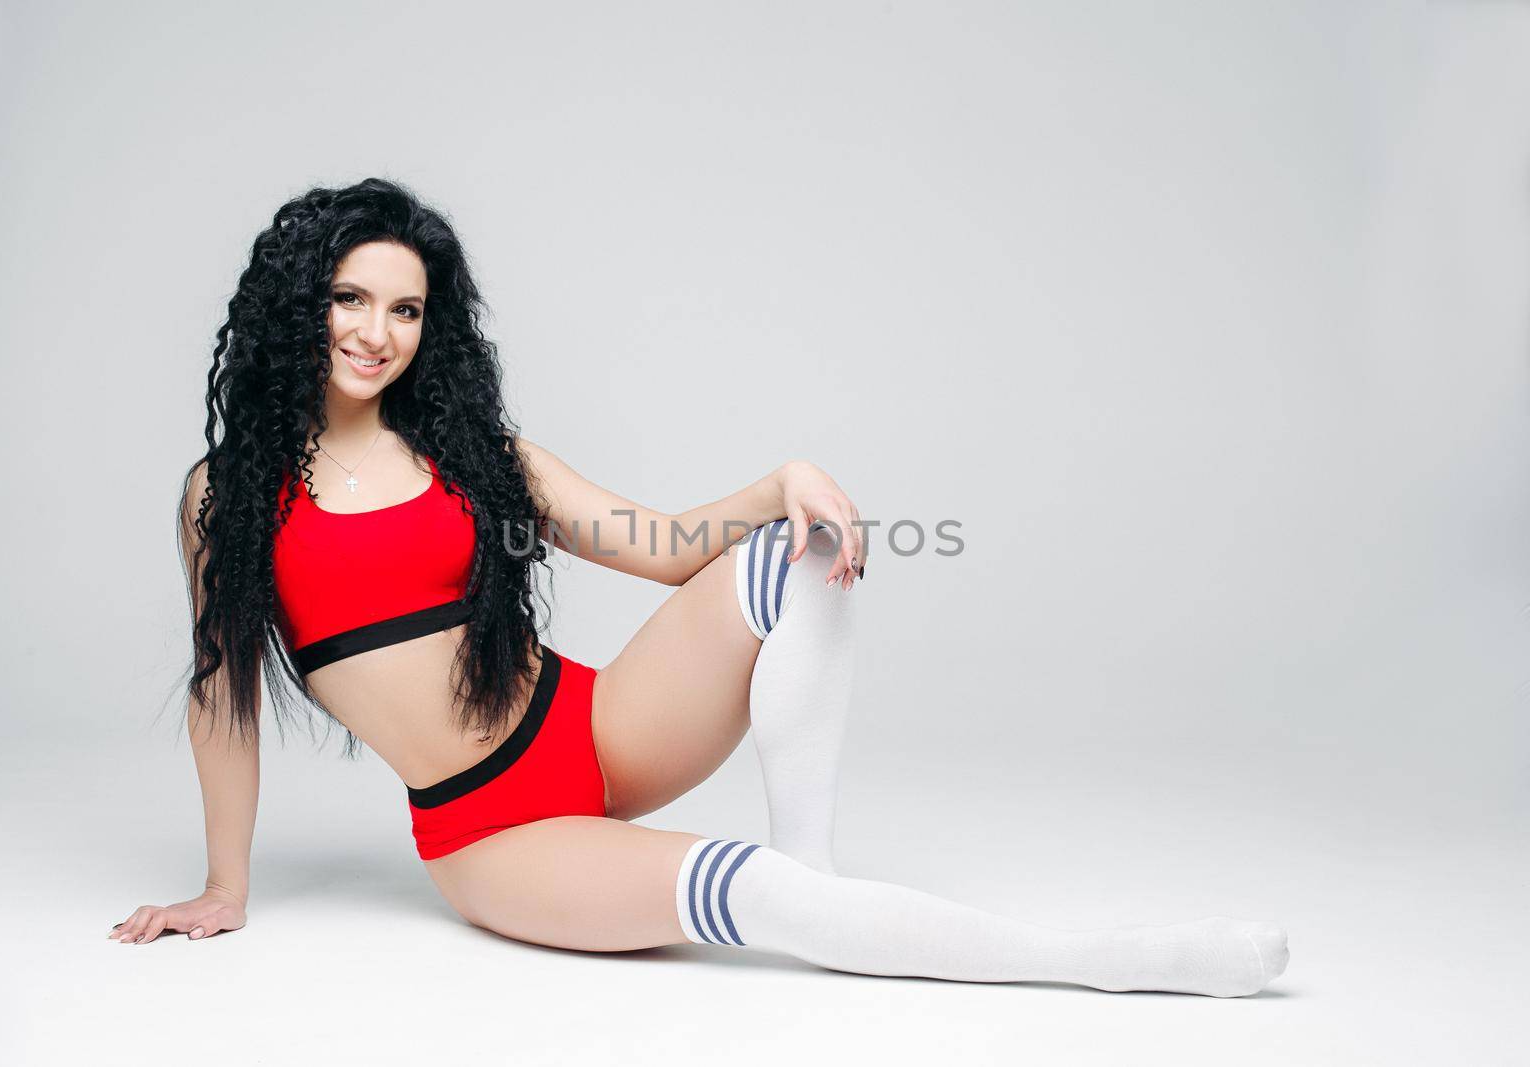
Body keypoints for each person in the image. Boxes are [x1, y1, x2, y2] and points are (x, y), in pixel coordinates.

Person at [110, 177, 1289, 997]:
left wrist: (783, 480)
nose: (378, 331)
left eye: (405, 307)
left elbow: (664, 543)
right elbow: (226, 694)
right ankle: (1108, 957)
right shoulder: (226, 496)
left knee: (798, 550)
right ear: (296, 303)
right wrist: (225, 883)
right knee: (755, 902)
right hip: (495, 825)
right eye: (350, 298)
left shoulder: (473, 448)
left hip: (596, 724)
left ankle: (812, 864)